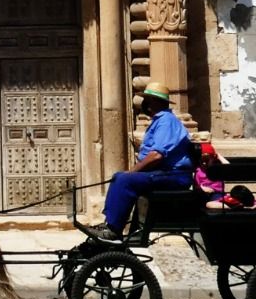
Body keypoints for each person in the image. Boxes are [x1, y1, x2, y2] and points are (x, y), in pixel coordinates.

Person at [93, 83, 235, 238]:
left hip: (173, 175)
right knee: (119, 177)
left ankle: (113, 229)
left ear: (154, 102)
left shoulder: (166, 121)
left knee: (125, 180)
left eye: (147, 99)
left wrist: (132, 171)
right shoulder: (160, 121)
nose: (144, 103)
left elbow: (157, 155)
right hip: (163, 173)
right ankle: (111, 223)